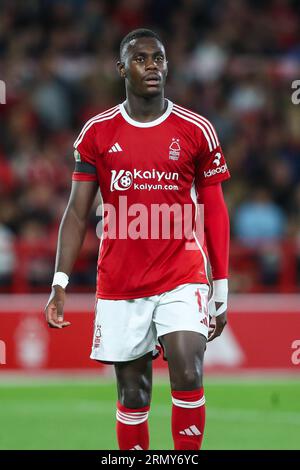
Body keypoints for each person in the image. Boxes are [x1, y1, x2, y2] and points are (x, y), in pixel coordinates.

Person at [45, 28, 230, 451]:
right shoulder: (96, 133)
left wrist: (220, 285)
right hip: (120, 281)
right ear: (121, 68)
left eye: (159, 58)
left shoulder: (196, 129)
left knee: (188, 370)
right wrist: (59, 283)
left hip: (182, 274)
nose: (153, 66)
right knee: (133, 394)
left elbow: (216, 211)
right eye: (142, 58)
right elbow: (76, 213)